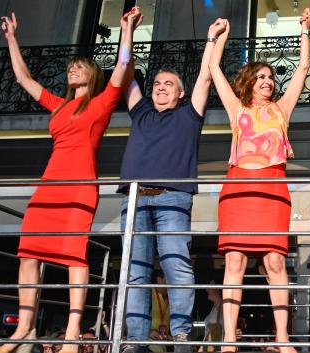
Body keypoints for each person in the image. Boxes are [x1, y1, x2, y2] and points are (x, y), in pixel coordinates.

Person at [0, 8, 141, 353]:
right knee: (28, 255)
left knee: (75, 256)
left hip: (79, 187)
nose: (73, 68)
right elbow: (25, 80)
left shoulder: (102, 104)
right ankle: (23, 330)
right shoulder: (59, 106)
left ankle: (73, 332)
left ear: (92, 75)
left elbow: (122, 66)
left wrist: (126, 30)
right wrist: (12, 39)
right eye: (70, 66)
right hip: (49, 186)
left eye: (80, 66)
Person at [117, 15, 226, 353]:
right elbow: (125, 73)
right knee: (135, 272)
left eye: (168, 84)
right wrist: (127, 31)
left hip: (172, 198)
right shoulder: (142, 113)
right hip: (134, 199)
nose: (160, 87)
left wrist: (211, 39)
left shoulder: (189, 114)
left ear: (180, 92)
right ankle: (135, 339)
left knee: (176, 264)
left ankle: (180, 334)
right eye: (157, 84)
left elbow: (206, 77)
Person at [208, 10, 310, 353]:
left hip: (273, 190)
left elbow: (301, 70)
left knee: (275, 262)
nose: (268, 81)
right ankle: (228, 339)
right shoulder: (237, 110)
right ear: (249, 81)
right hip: (238, 190)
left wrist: (305, 33)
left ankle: (282, 338)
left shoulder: (282, 110)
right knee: (234, 262)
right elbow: (213, 70)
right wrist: (218, 38)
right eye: (261, 76)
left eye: (270, 77)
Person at [198, 283, 223, 352]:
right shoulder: (214, 307)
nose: (206, 289)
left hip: (216, 348)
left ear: (217, 289)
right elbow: (208, 332)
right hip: (209, 347)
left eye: (210, 286)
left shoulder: (224, 307)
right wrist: (201, 348)